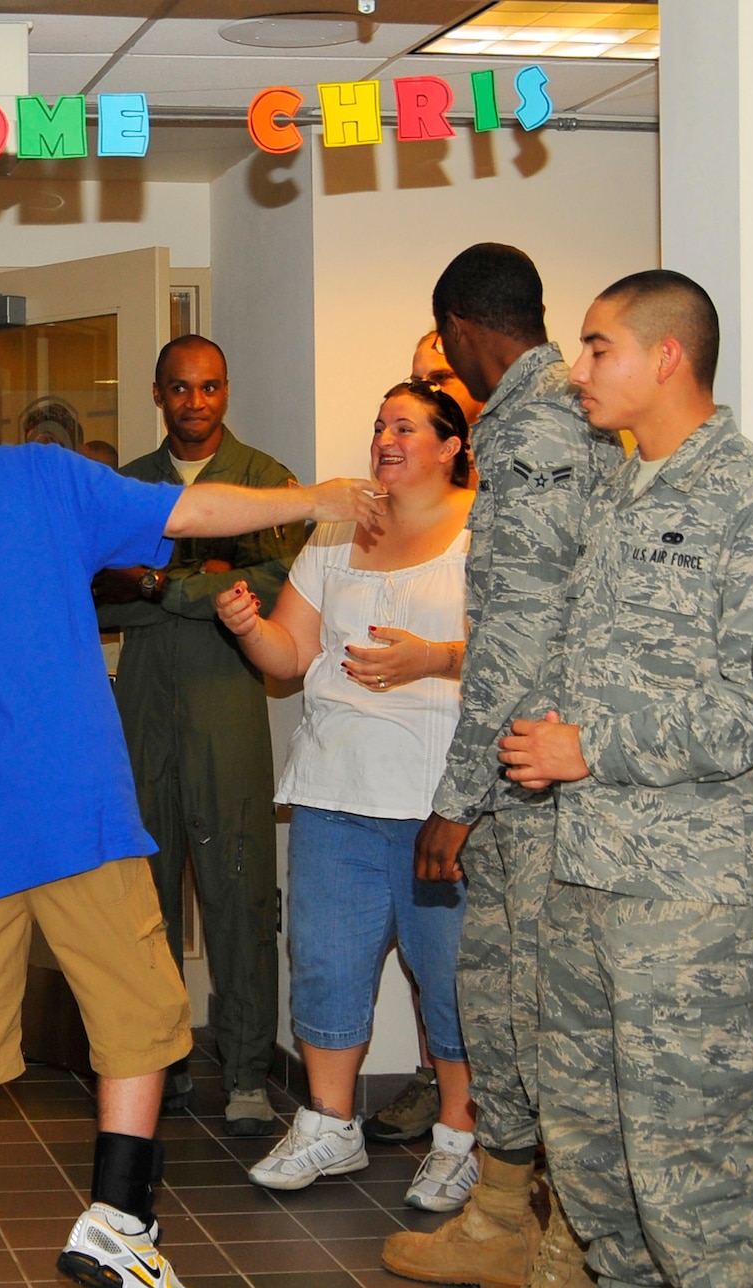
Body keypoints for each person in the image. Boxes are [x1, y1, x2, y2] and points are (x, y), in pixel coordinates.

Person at [0, 337, 385, 1288]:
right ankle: (117, 1219)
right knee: (140, 1017)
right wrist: (314, 497)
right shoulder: (37, 476)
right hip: (77, 811)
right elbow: (190, 513)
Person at [498, 272, 753, 1288]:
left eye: (597, 348)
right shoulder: (620, 486)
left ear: (666, 355)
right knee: (590, 1141)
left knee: (693, 1165)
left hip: (688, 893)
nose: (576, 368)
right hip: (587, 868)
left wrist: (591, 747)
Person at [382, 245, 624, 1288]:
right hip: (522, 774)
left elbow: (517, 635)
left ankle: (567, 1258)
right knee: (495, 1002)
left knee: (541, 1020)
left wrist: (455, 797)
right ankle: (498, 1216)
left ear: (460, 330)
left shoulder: (532, 431)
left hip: (536, 778)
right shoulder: (541, 417)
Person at [214, 383, 479, 1212]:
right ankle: (330, 1123)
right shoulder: (336, 530)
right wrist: (247, 626)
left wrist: (430, 658)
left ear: (451, 445)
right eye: (379, 425)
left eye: (405, 426)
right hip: (335, 789)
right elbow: (290, 655)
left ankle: (460, 1139)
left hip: (440, 801)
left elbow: (519, 650)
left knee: (450, 974)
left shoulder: (485, 529)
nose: (384, 438)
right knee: (326, 959)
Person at [94, 334, 304, 1137]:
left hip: (226, 702)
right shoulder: (126, 487)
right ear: (158, 394)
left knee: (238, 890)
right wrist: (197, 587)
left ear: (227, 390)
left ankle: (246, 1071)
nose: (195, 401)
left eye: (209, 386)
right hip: (143, 703)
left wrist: (154, 582)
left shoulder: (265, 482)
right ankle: (161, 1058)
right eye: (180, 388)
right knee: (141, 896)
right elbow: (97, 595)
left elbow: (270, 588)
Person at [366, 330, 486, 1149]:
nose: (429, 388)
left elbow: (526, 647)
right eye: (415, 380)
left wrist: (435, 658)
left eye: (441, 377)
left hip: (488, 769)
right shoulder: (376, 517)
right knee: (428, 950)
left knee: (475, 956)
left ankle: (485, 1123)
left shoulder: (503, 503)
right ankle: (435, 1079)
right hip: (398, 778)